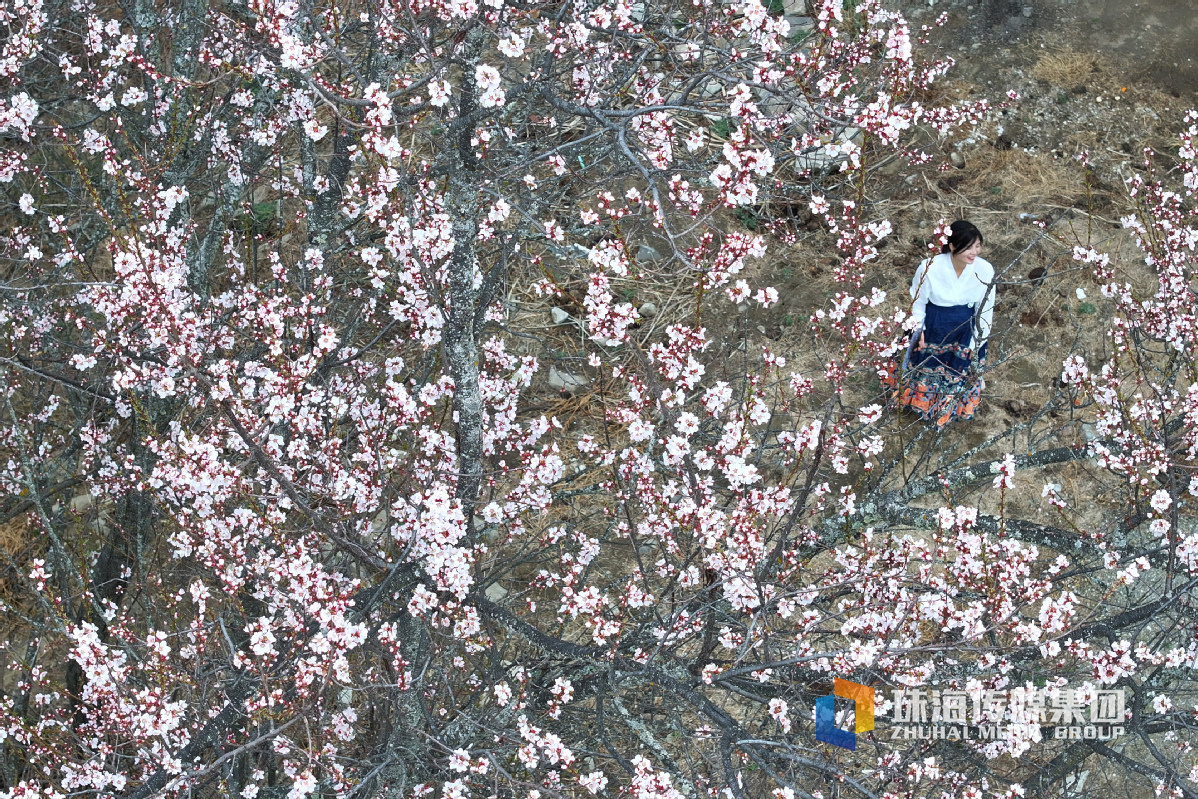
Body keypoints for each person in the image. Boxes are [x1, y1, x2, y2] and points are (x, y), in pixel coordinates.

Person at [882, 220, 995, 428]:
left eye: (977, 246)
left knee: (956, 369)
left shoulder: (985, 270)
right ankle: (913, 399)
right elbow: (918, 301)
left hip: (964, 327)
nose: (974, 252)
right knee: (923, 363)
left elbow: (986, 308)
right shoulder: (930, 267)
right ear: (952, 246)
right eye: (969, 247)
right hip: (933, 322)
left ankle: (945, 407)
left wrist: (979, 340)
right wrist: (918, 329)